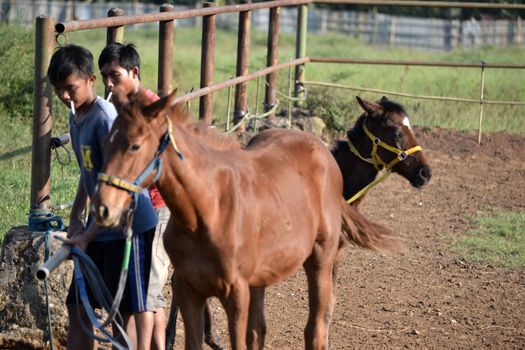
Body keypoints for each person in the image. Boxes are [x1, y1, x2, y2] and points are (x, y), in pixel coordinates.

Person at [47, 44, 158, 350]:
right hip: (97, 227)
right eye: (59, 90)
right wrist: (75, 216)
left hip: (127, 226)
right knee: (78, 305)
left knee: (124, 313)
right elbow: (89, 171)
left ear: (91, 80)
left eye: (71, 88)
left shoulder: (104, 118)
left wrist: (87, 235)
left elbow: (119, 181)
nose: (65, 97)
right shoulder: (76, 116)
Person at [98, 42, 170, 350]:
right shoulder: (123, 109)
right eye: (104, 76)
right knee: (148, 290)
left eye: (114, 75)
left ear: (134, 72)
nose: (109, 84)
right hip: (138, 207)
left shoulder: (151, 109)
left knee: (148, 290)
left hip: (156, 205)